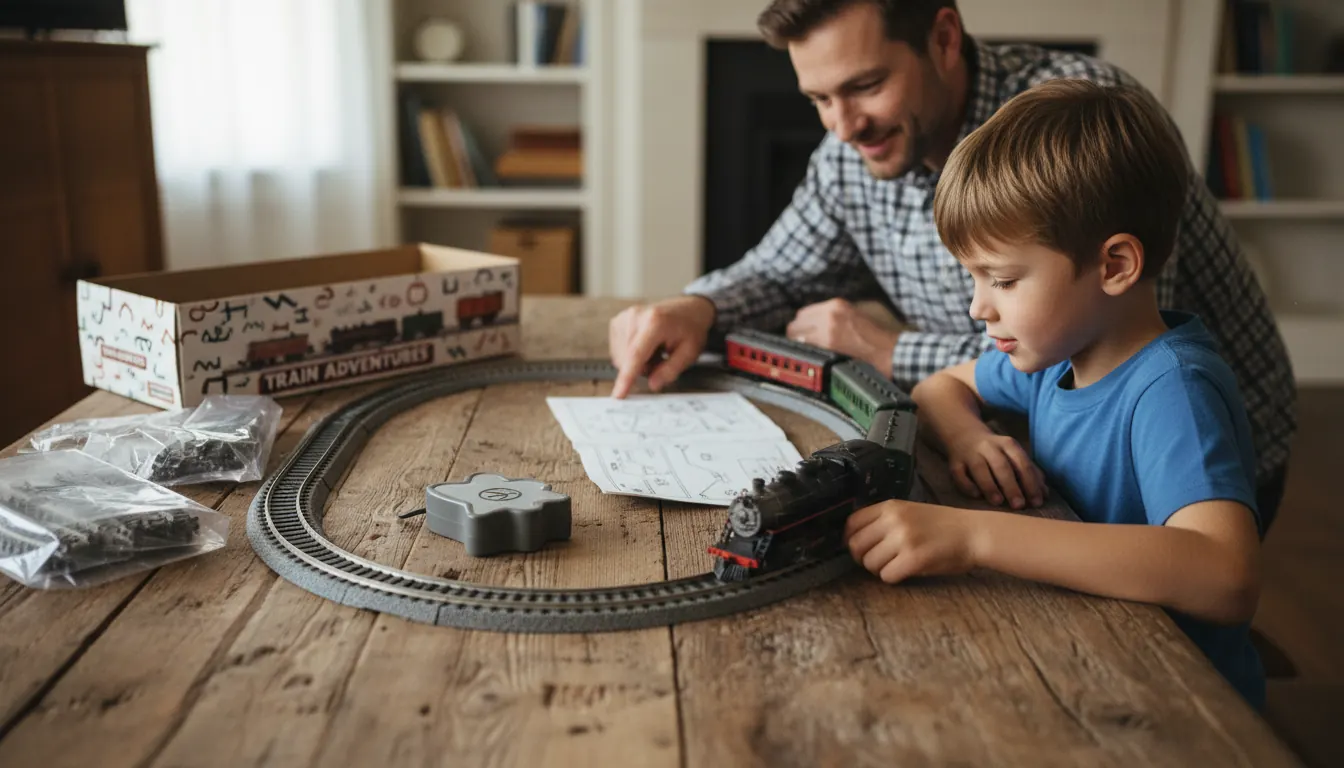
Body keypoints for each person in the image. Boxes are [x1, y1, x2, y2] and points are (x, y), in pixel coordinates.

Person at [605, 0, 1296, 530]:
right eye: (818, 100)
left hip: (1187, 475)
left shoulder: (1080, 125)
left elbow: (1106, 345)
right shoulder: (852, 153)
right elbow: (781, 270)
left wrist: (892, 352)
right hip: (1033, 453)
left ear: (942, 37)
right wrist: (698, 309)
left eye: (866, 85)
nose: (842, 126)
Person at [842, 78, 1265, 708]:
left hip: (1180, 700)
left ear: (1115, 266)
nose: (977, 306)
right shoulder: (1057, 357)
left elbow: (1225, 574)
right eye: (973, 277)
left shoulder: (1172, 388)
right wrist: (967, 435)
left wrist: (974, 537)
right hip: (1083, 654)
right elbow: (939, 387)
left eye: (1003, 279)